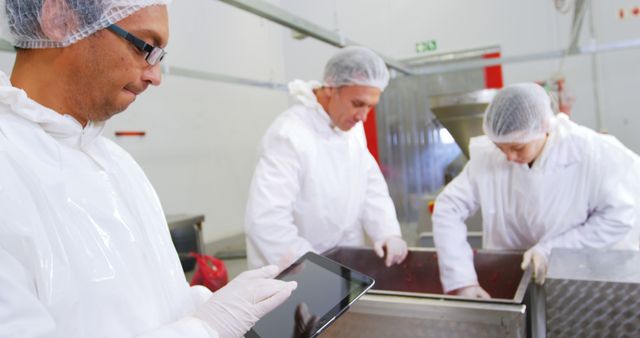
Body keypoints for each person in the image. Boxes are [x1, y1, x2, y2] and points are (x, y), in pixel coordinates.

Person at [0, 1, 297, 337]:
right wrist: (204, 330)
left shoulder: (115, 163)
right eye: (145, 47)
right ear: (60, 18)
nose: (155, 76)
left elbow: (146, 304)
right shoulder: (8, 167)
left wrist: (201, 305)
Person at [433, 83, 640, 299]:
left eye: (518, 148)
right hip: (510, 279)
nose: (510, 157)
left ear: (544, 127)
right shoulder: (488, 158)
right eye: (500, 148)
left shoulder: (587, 152)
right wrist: (462, 281)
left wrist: (552, 250)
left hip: (578, 281)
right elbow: (448, 207)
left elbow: (619, 216)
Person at [245, 46, 408, 269]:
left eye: (370, 107)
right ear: (331, 89)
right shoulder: (290, 135)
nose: (363, 116)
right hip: (292, 270)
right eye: (358, 103)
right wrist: (317, 270)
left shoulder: (351, 129)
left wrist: (388, 231)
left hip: (341, 261)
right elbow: (266, 221)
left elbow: (370, 185)